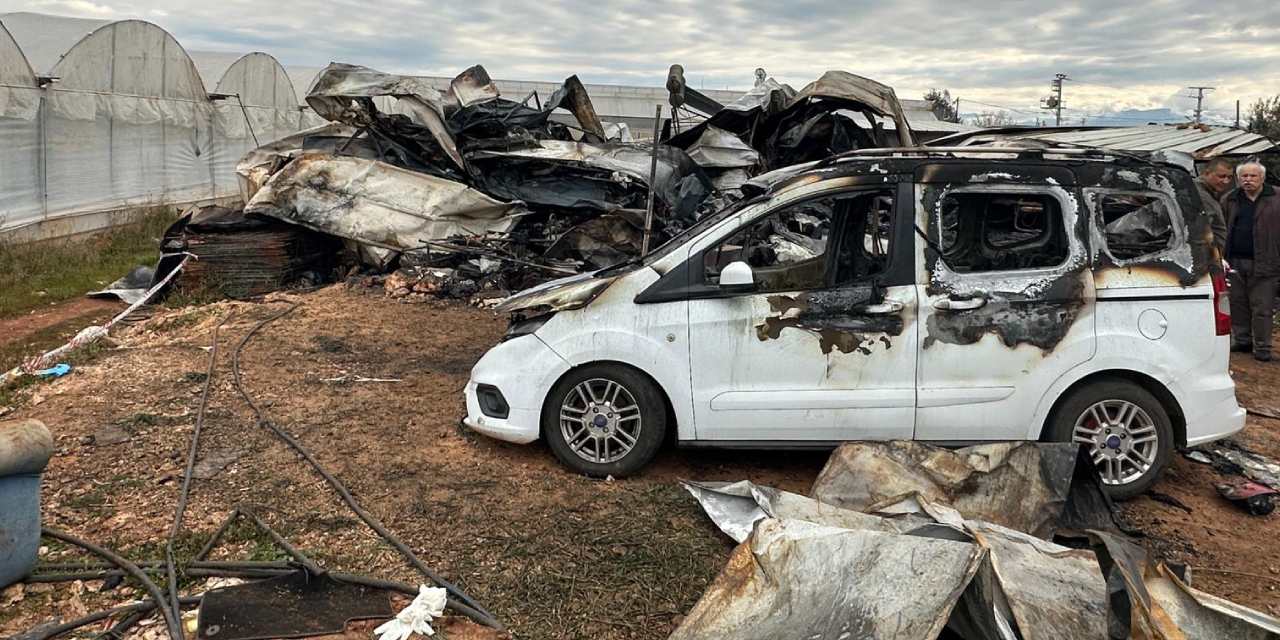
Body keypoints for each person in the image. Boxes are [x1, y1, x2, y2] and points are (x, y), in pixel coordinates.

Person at [1223, 160, 1280, 361]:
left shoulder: (1276, 197)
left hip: (1266, 262)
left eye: (1253, 176)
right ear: (1238, 179)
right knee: (1238, 305)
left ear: (1262, 178)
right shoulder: (1230, 199)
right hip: (1235, 261)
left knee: (1262, 308)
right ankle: (1243, 340)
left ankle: (1263, 348)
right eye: (1244, 176)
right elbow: (1222, 228)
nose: (1248, 180)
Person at [1196, 158, 1233, 255]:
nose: (1226, 181)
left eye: (1229, 177)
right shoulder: (1198, 194)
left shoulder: (1210, 193)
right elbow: (1200, 232)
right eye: (1221, 176)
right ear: (1206, 173)